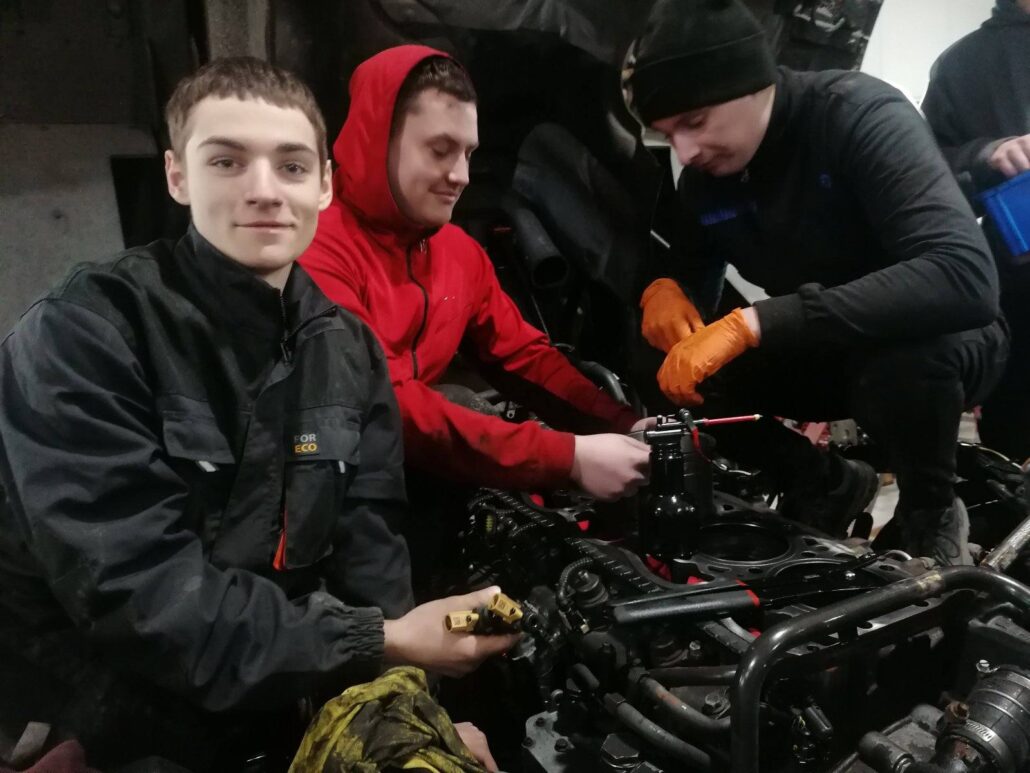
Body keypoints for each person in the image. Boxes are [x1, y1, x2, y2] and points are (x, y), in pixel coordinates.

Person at [0, 57, 514, 771]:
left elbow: (371, 560)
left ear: (324, 184)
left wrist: (414, 715)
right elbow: (140, 599)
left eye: (292, 166)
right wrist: (381, 640)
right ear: (178, 176)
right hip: (92, 697)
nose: (265, 190)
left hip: (267, 676)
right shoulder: (86, 334)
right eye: (228, 161)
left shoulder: (347, 348)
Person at [622, 0, 1009, 563]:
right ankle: (823, 481)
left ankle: (930, 515)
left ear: (752, 85)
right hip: (829, 349)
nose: (684, 151)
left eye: (694, 123)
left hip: (941, 340)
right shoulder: (709, 180)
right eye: (666, 134)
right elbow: (687, 273)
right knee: (669, 367)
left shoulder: (858, 115)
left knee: (901, 363)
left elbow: (964, 277)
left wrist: (758, 322)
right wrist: (665, 286)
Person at [300, 46, 653, 508]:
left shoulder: (458, 253)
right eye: (440, 150)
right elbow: (383, 402)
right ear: (377, 137)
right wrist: (568, 458)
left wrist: (624, 425)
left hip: (405, 472)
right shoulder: (315, 249)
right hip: (324, 488)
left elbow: (523, 359)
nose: (461, 175)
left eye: (468, 153)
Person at [922, 0, 1030, 462]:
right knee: (1014, 445)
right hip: (1018, 292)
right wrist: (988, 155)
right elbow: (925, 175)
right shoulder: (964, 63)